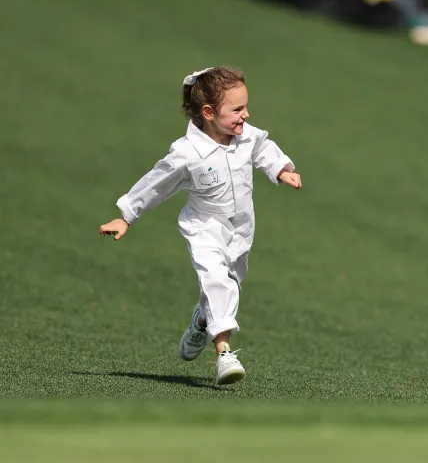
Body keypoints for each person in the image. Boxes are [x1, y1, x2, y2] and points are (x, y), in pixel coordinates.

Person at [99, 67, 302, 386]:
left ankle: (201, 320)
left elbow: (263, 148)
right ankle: (224, 355)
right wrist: (126, 216)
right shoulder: (187, 153)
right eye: (237, 109)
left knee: (231, 284)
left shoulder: (246, 136)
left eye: (246, 107)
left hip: (242, 231)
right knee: (217, 282)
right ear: (208, 112)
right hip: (205, 229)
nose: (245, 115)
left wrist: (280, 171)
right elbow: (156, 184)